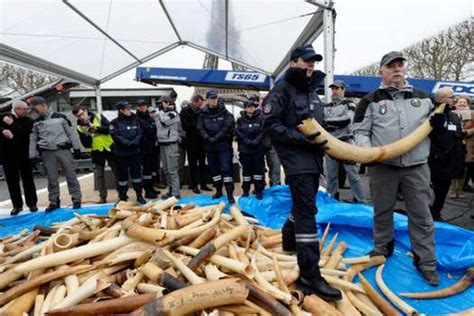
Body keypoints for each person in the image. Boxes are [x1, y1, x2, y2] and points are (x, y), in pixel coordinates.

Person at [263, 44, 341, 300]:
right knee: (308, 210)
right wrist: (302, 139)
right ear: (293, 62)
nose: (312, 65)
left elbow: (315, 123)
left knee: (303, 203)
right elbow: (271, 125)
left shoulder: (312, 92)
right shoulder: (282, 90)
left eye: (314, 61)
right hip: (296, 160)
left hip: (313, 158)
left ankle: (288, 237)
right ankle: (309, 275)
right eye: (307, 60)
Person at [353, 51, 439, 285]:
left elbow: (436, 129)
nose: (397, 69)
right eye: (391, 66)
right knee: (382, 211)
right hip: (383, 167)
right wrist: (369, 153)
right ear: (381, 71)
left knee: (421, 215)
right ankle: (382, 249)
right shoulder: (369, 100)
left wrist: (442, 123)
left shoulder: (424, 98)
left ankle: (426, 262)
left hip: (417, 167)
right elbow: (360, 131)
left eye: (400, 64)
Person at [29, 96, 82, 211]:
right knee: (51, 179)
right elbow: (32, 139)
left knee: (71, 176)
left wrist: (76, 148)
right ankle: (54, 201)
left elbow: (71, 133)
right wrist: (32, 155)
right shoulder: (36, 121)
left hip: (63, 150)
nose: (34, 110)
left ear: (43, 105)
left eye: (35, 108)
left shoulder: (61, 117)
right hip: (47, 153)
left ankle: (76, 199)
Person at [323, 80, 366, 203]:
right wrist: (334, 123)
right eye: (333, 89)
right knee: (331, 175)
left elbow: (347, 120)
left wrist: (330, 122)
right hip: (330, 144)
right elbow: (323, 123)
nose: (334, 91)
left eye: (337, 88)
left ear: (343, 90)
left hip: (345, 143)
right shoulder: (326, 106)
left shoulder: (350, 104)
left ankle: (360, 201)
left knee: (352, 174)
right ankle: (332, 199)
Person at [428, 87, 465, 221]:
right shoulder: (431, 115)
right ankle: (429, 215)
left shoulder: (454, 116)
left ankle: (437, 213)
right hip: (435, 163)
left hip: (452, 163)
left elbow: (458, 137)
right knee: (431, 193)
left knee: (442, 192)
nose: (454, 99)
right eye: (451, 97)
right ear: (441, 99)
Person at [73, 105, 117, 204]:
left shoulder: (98, 117)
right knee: (99, 175)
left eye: (82, 113)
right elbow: (86, 144)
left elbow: (110, 129)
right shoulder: (80, 127)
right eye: (78, 116)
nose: (81, 117)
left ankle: (122, 194)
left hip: (109, 148)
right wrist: (86, 134)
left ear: (86, 110)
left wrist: (96, 128)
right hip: (96, 151)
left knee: (117, 172)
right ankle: (103, 197)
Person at [197, 90, 236, 203]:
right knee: (215, 171)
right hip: (210, 147)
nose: (214, 100)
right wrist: (207, 137)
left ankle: (230, 194)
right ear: (207, 99)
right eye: (212, 98)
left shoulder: (225, 112)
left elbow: (227, 126)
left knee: (226, 169)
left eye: (215, 98)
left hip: (223, 146)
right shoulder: (202, 113)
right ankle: (218, 191)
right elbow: (200, 128)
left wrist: (216, 137)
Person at [0, 100, 38, 215]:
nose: (27, 111)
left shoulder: (28, 121)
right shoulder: (3, 117)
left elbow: (25, 134)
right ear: (16, 109)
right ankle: (17, 205)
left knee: (28, 180)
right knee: (12, 182)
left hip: (24, 155)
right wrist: (3, 130)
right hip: (8, 156)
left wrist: (12, 125)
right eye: (24, 109)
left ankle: (32, 204)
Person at [110, 101, 145, 204]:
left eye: (130, 109)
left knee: (137, 176)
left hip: (134, 153)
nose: (130, 111)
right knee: (122, 178)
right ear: (121, 110)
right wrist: (127, 143)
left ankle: (139, 196)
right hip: (121, 154)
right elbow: (116, 136)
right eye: (127, 109)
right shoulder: (114, 123)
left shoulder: (136, 120)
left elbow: (139, 132)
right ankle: (123, 196)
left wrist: (135, 142)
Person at [180, 94, 212, 194]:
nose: (202, 104)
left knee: (202, 164)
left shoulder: (202, 111)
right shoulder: (185, 111)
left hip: (201, 142)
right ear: (197, 101)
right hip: (191, 142)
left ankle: (203, 184)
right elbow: (185, 126)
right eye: (201, 102)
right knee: (192, 165)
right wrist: (197, 125)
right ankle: (193, 184)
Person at [235, 97, 265, 199]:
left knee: (258, 171)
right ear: (245, 108)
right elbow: (238, 132)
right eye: (250, 106)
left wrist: (256, 141)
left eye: (253, 106)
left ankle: (258, 190)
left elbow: (262, 131)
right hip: (245, 150)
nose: (252, 108)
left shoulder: (260, 118)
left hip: (257, 149)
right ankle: (246, 191)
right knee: (246, 172)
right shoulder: (239, 120)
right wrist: (246, 141)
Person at [156, 96, 183, 199]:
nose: (160, 105)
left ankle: (176, 193)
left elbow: (165, 122)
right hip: (162, 143)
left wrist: (160, 113)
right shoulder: (162, 113)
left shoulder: (173, 113)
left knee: (172, 170)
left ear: (167, 103)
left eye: (161, 103)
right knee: (166, 170)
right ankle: (170, 190)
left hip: (171, 144)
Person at [136, 99, 159, 199]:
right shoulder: (137, 118)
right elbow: (141, 133)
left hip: (152, 147)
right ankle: (147, 190)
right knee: (146, 171)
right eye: (141, 106)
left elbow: (153, 129)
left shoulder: (148, 117)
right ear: (138, 107)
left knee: (151, 169)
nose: (143, 107)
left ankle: (151, 187)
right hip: (144, 148)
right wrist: (147, 139)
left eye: (144, 105)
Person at [259, 94, 281, 186]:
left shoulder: (274, 112)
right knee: (260, 168)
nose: (263, 100)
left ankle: (275, 186)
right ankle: (261, 186)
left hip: (272, 143)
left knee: (275, 167)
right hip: (258, 144)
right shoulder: (255, 114)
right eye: (261, 99)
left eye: (265, 98)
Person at [459, 96, 474, 191]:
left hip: (469, 143)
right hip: (455, 143)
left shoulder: (472, 114)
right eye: (460, 102)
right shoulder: (452, 113)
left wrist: (466, 132)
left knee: (469, 165)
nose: (462, 104)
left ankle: (464, 185)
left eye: (464, 102)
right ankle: (456, 187)